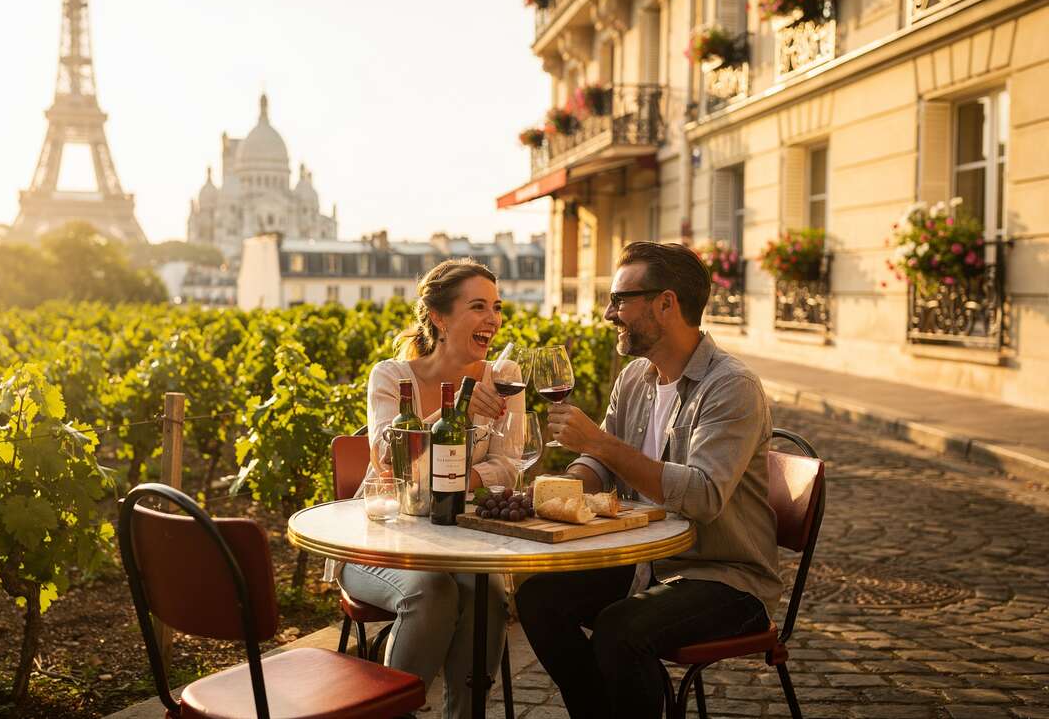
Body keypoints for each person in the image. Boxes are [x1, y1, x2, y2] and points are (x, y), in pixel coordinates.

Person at [515, 242, 780, 719]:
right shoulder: (636, 376)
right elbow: (600, 463)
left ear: (666, 303)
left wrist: (600, 445)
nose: (607, 314)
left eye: (619, 299)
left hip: (725, 575)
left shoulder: (731, 387)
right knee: (537, 597)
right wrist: (560, 492)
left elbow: (701, 496)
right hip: (648, 561)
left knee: (622, 629)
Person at [323, 258, 525, 718]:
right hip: (381, 541)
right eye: (478, 306)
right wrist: (455, 410)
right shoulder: (393, 377)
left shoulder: (505, 375)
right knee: (431, 593)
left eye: (496, 306)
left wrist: (455, 480)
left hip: (463, 541)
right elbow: (389, 461)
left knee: (488, 595)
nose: (492, 318)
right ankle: (393, 712)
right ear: (439, 316)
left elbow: (510, 467)